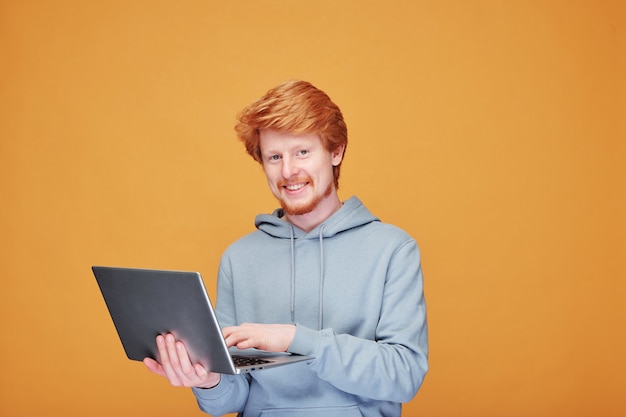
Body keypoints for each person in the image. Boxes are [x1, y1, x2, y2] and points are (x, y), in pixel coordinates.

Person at [144, 80, 428, 416]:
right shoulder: (239, 259)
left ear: (336, 152)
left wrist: (295, 339)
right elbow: (232, 396)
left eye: (302, 152)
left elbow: (404, 375)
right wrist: (208, 381)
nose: (288, 171)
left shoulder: (393, 249)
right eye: (274, 157)